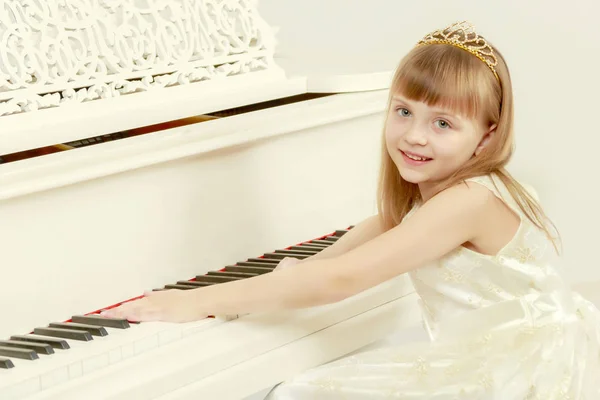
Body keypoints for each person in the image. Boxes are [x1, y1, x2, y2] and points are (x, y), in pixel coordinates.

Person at [103, 21, 600, 398]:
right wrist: (301, 270)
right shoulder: (440, 192)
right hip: (512, 347)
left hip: (525, 369)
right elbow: (374, 232)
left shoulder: (466, 202)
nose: (414, 135)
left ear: (488, 134)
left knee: (301, 392)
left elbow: (343, 282)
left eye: (443, 123)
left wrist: (198, 301)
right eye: (403, 111)